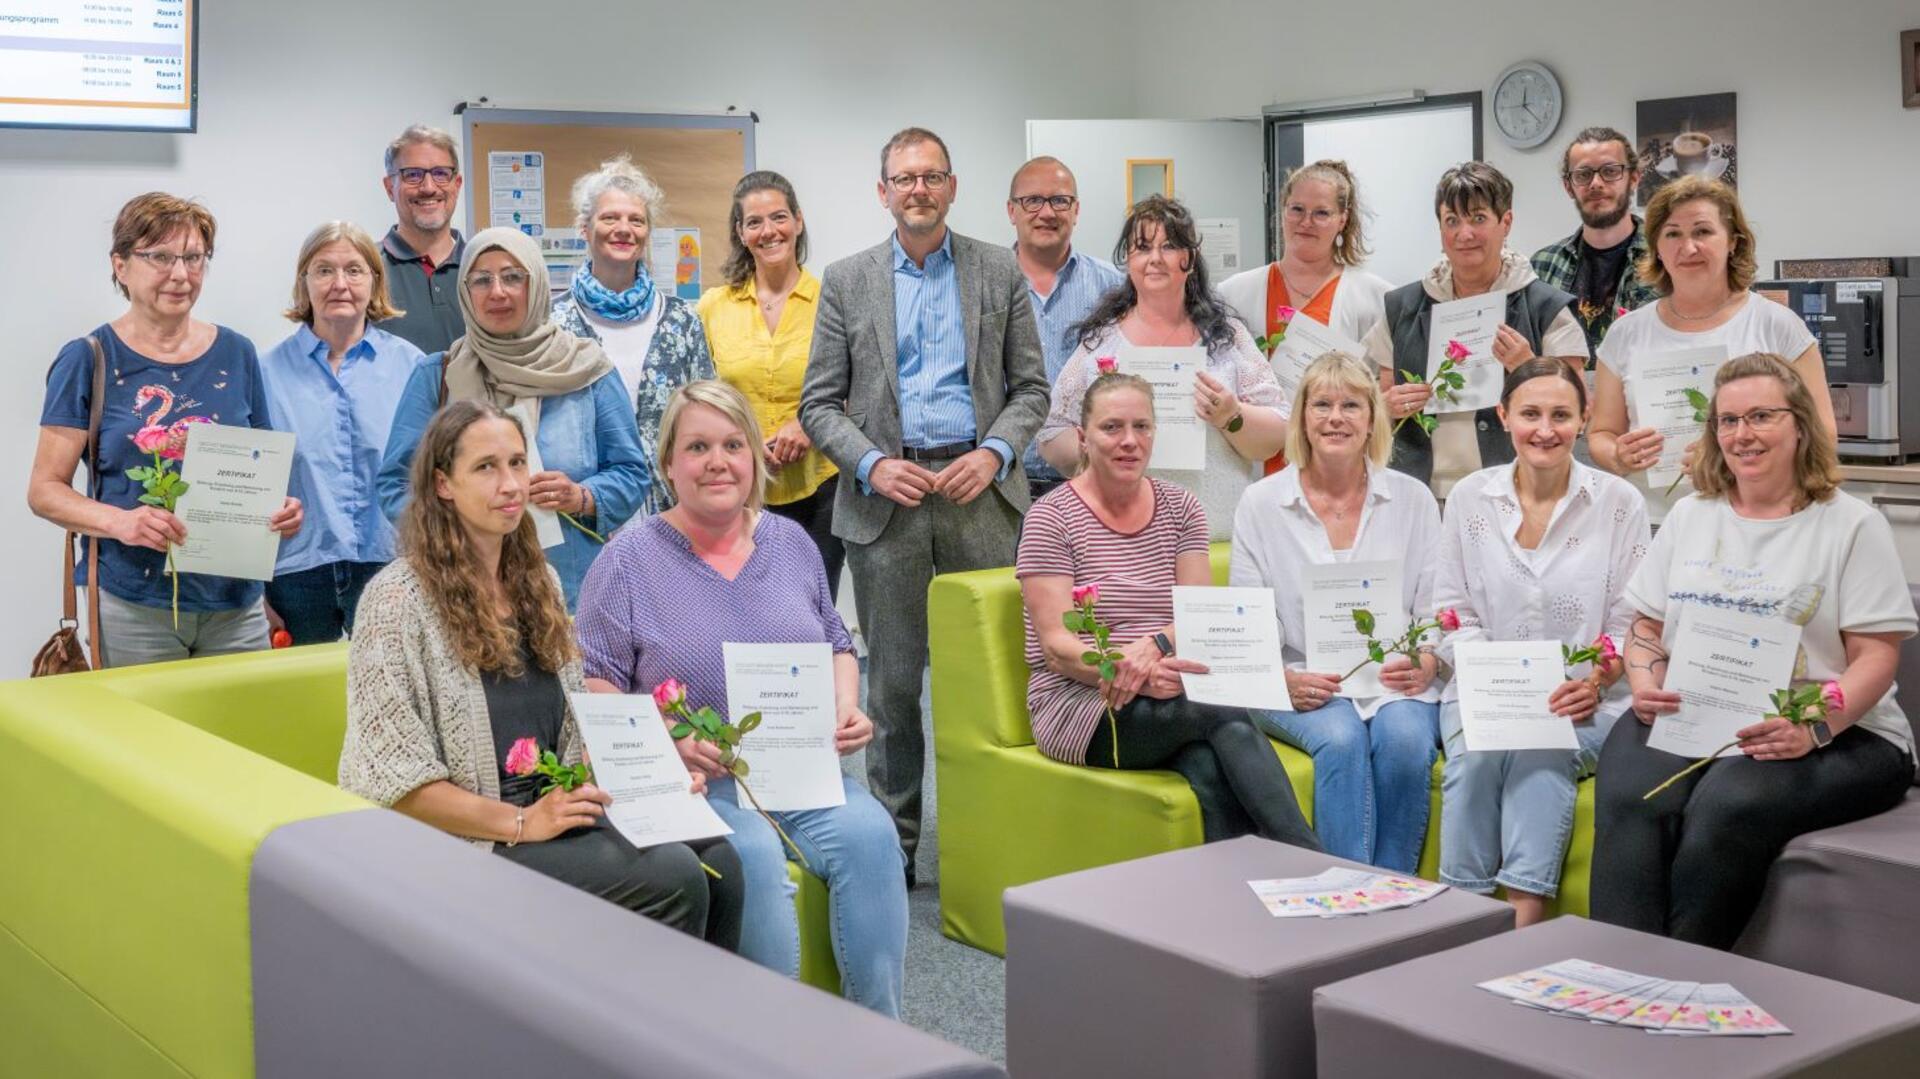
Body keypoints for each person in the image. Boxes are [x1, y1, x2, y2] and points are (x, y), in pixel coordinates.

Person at [342, 400, 742, 945]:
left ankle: (700, 1027)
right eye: (485, 467)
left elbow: (576, 737)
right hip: (469, 839)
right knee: (673, 880)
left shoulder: (541, 583)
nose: (510, 484)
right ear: (443, 484)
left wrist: (656, 781)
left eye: (516, 462)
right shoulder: (395, 600)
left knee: (721, 860)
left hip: (552, 814)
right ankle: (630, 1030)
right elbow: (393, 782)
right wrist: (522, 823)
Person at [576, 381, 907, 1016]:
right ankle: (768, 1046)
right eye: (697, 446)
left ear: (755, 457)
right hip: (697, 783)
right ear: (668, 462)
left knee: (871, 835)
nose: (717, 461)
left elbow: (837, 640)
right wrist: (671, 745)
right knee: (750, 855)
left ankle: (882, 1041)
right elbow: (600, 686)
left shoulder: (790, 544)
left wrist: (845, 703)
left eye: (733, 444)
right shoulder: (626, 560)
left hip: (800, 769)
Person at [1591, 353, 1915, 949]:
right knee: (1630, 795)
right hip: (1696, 709)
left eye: (1761, 416)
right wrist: (1643, 680)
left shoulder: (1851, 525)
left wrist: (1814, 728)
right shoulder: (1691, 515)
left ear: (1799, 425)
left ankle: (1683, 980)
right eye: (1728, 421)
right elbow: (1644, 626)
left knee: (1728, 804)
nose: (1743, 435)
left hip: (1839, 732)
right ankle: (1618, 969)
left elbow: (1876, 658)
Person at [800, 126, 1051, 883]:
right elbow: (819, 404)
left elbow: (1032, 388)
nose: (919, 189)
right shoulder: (848, 280)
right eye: (904, 178)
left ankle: (998, 835)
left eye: (932, 176)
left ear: (952, 186)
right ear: (884, 192)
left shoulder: (996, 269)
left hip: (982, 499)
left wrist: (994, 452)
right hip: (890, 507)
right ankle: (895, 848)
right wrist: (874, 465)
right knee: (895, 688)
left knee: (996, 678)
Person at [1021, 370, 1320, 850]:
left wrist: (1156, 650)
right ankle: (1316, 864)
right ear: (1082, 437)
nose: (1129, 441)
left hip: (1174, 691)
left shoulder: (1182, 507)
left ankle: (1237, 913)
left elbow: (1196, 617)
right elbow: (1058, 648)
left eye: (1142, 427)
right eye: (1112, 427)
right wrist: (1131, 670)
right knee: (1224, 710)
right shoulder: (1051, 517)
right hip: (1084, 706)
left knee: (1211, 769)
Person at [30, 192, 303, 668]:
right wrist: (122, 522)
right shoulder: (89, 358)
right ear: (120, 265)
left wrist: (282, 510)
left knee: (240, 738)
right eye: (160, 257)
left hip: (235, 607)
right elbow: (44, 491)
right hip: (133, 604)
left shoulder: (237, 353)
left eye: (194, 258)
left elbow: (263, 469)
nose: (181, 274)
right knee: (146, 739)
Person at [1433, 359, 1649, 925]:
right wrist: (1499, 684)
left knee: (1541, 750)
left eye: (1561, 415)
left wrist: (1597, 681)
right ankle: (1462, 917)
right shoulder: (1467, 498)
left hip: (1585, 697)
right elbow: (1451, 611)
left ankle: (1523, 923)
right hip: (1483, 689)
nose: (1544, 429)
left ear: (1582, 422)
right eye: (1530, 413)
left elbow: (1632, 623)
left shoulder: (1620, 503)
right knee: (1477, 758)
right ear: (1504, 416)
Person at [1230, 352, 1441, 873]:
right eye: (1321, 404)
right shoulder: (1260, 503)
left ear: (1373, 418)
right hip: (1297, 676)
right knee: (1342, 738)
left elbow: (1437, 605)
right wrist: (1281, 680)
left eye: (1351, 404)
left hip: (1394, 677)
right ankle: (1346, 903)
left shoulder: (1413, 499)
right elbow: (1248, 621)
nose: (1335, 417)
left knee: (1406, 741)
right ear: (1302, 417)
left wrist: (1429, 660)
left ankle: (1393, 896)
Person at [377, 227, 650, 609]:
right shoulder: (437, 375)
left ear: (536, 284)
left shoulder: (588, 371)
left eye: (512, 277)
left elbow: (633, 472)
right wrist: (446, 524)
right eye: (482, 280)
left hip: (569, 594)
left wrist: (583, 496)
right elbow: (394, 483)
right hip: (463, 594)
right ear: (465, 292)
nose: (498, 292)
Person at [1036, 195, 1286, 539]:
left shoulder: (1227, 338)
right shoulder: (1101, 342)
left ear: (1190, 257)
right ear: (1128, 259)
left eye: (1168, 246)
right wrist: (1095, 440)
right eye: (1142, 247)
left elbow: (1278, 433)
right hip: (1121, 539)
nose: (1155, 259)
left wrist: (1232, 415)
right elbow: (1050, 435)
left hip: (1215, 537)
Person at [1588, 176, 1836, 522]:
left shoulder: (1776, 325)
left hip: (1755, 520)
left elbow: (1823, 435)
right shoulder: (1625, 334)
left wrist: (1738, 454)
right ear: (1657, 246)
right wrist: (1617, 454)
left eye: (1703, 232)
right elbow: (1600, 433)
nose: (1688, 248)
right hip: (1652, 523)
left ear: (1733, 242)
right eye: (1673, 234)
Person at [1364, 162, 1587, 496]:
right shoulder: (1402, 307)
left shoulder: (1547, 308)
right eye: (1452, 220)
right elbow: (1379, 405)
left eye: (1478, 218)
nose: (1464, 234)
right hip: (1419, 492)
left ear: (1506, 222)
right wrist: (1386, 406)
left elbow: (1579, 411)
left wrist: (1527, 369)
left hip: (1516, 494)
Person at [260, 221, 424, 644]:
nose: (340, 284)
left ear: (374, 281)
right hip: (296, 573)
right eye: (323, 270)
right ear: (305, 282)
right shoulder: (265, 372)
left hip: (392, 565)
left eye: (354, 270)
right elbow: (249, 482)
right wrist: (253, 594)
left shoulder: (413, 368)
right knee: (305, 704)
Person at [698, 171, 843, 597]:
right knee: (739, 608)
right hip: (736, 488)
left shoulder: (833, 299)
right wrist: (739, 439)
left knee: (810, 608)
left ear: (798, 221)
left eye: (779, 217)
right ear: (741, 233)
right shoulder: (713, 307)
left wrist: (808, 424)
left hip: (822, 487)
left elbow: (862, 386)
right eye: (754, 222)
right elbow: (699, 399)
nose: (769, 231)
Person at [552, 155, 714, 517]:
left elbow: (707, 416)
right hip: (583, 512)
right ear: (584, 228)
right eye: (610, 217)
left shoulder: (681, 322)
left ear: (647, 233)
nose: (623, 229)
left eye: (636, 220)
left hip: (675, 511)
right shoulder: (554, 324)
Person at [1219, 159, 1389, 473]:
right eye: (1297, 209)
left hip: (1339, 466)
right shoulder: (1233, 294)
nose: (1306, 222)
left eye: (1321, 213)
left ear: (1342, 220)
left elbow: (1382, 390)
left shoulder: (1374, 298)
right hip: (1257, 463)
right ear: (1282, 212)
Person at [1006, 155, 1124, 501]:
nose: (1047, 213)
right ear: (1011, 211)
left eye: (1059, 200)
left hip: (1089, 482)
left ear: (1076, 210)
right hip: (1002, 486)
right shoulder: (985, 286)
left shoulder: (1113, 288)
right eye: (1032, 201)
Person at [1530, 127, 1661, 361]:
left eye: (1610, 171)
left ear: (1634, 179)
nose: (1596, 183)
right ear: (1568, 186)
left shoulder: (1664, 257)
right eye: (1583, 174)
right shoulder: (1541, 266)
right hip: (1566, 395)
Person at [376, 125, 467, 355]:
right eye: (413, 175)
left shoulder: (485, 268)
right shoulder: (365, 269)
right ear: (389, 188)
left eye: (440, 174)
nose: (428, 188)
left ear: (456, 185)